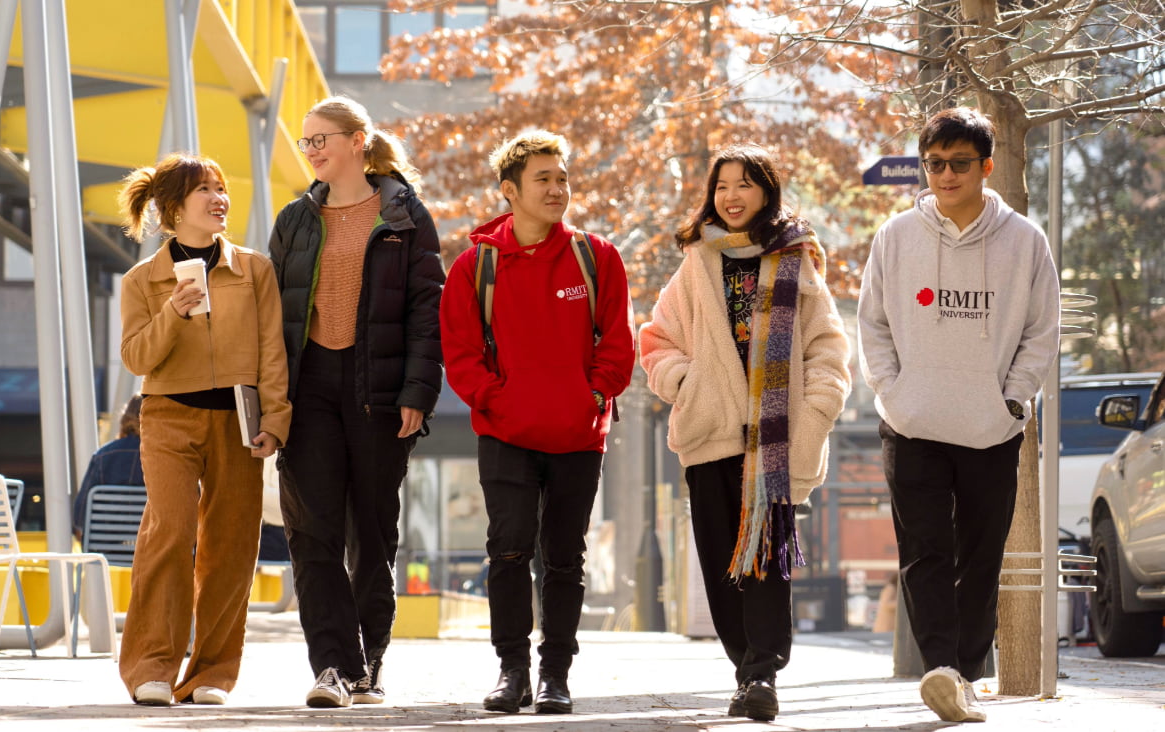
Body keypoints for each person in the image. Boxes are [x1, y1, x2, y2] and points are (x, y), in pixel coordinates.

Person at [857, 107, 1060, 724]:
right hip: (912, 423)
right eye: (935, 163)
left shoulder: (1025, 241)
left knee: (980, 555)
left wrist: (1012, 400)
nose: (945, 175)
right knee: (923, 551)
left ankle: (966, 676)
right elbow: (873, 325)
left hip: (988, 426)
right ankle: (942, 671)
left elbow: (1041, 330)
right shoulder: (895, 237)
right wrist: (894, 394)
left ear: (986, 167)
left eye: (959, 163)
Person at [638, 143, 851, 722]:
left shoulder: (794, 261)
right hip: (710, 435)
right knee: (719, 565)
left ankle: (762, 675)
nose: (731, 197)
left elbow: (828, 347)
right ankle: (744, 669)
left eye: (745, 185)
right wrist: (686, 382)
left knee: (763, 563)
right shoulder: (697, 263)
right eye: (722, 186)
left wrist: (819, 407)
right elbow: (656, 339)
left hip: (774, 444)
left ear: (766, 193)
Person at [440, 130, 635, 715]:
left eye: (563, 177)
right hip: (505, 433)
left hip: (578, 433)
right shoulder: (477, 266)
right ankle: (511, 670)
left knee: (565, 557)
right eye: (543, 179)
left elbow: (617, 343)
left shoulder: (596, 256)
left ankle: (555, 675)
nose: (558, 188)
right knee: (506, 550)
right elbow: (461, 351)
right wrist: (495, 400)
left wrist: (592, 394)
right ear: (510, 191)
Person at [269, 95, 444, 708]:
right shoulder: (295, 220)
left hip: (378, 389)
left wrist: (419, 391)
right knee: (312, 530)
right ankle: (332, 667)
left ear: (357, 141)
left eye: (322, 139)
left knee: (371, 532)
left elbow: (429, 310)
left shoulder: (404, 217)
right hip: (308, 386)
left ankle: (369, 659)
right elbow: (273, 320)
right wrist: (270, 404)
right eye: (306, 141)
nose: (312, 150)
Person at [117, 152, 291, 706]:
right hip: (168, 414)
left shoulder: (254, 269)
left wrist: (277, 420)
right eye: (205, 191)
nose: (220, 199)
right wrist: (172, 311)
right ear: (174, 208)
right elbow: (136, 357)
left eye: (221, 187)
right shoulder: (142, 280)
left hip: (239, 417)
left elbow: (271, 352)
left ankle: (211, 672)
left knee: (233, 543)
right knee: (169, 532)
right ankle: (151, 666)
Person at [73, 394, 144, 542]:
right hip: (151, 549)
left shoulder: (102, 456)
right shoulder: (166, 458)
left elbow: (79, 515)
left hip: (107, 549)